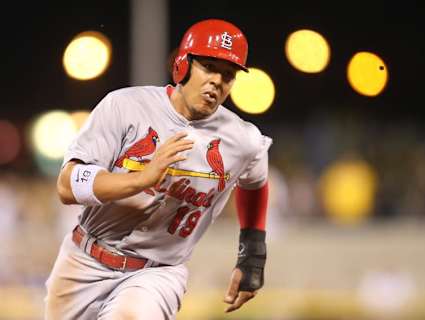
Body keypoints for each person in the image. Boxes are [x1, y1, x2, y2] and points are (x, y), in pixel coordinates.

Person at [44, 18, 271, 319]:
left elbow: (255, 182)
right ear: (183, 65)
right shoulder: (125, 106)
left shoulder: (242, 139)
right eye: (209, 66)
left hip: (157, 273)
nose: (217, 80)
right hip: (84, 260)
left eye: (228, 75)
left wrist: (252, 256)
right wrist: (142, 179)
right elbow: (67, 185)